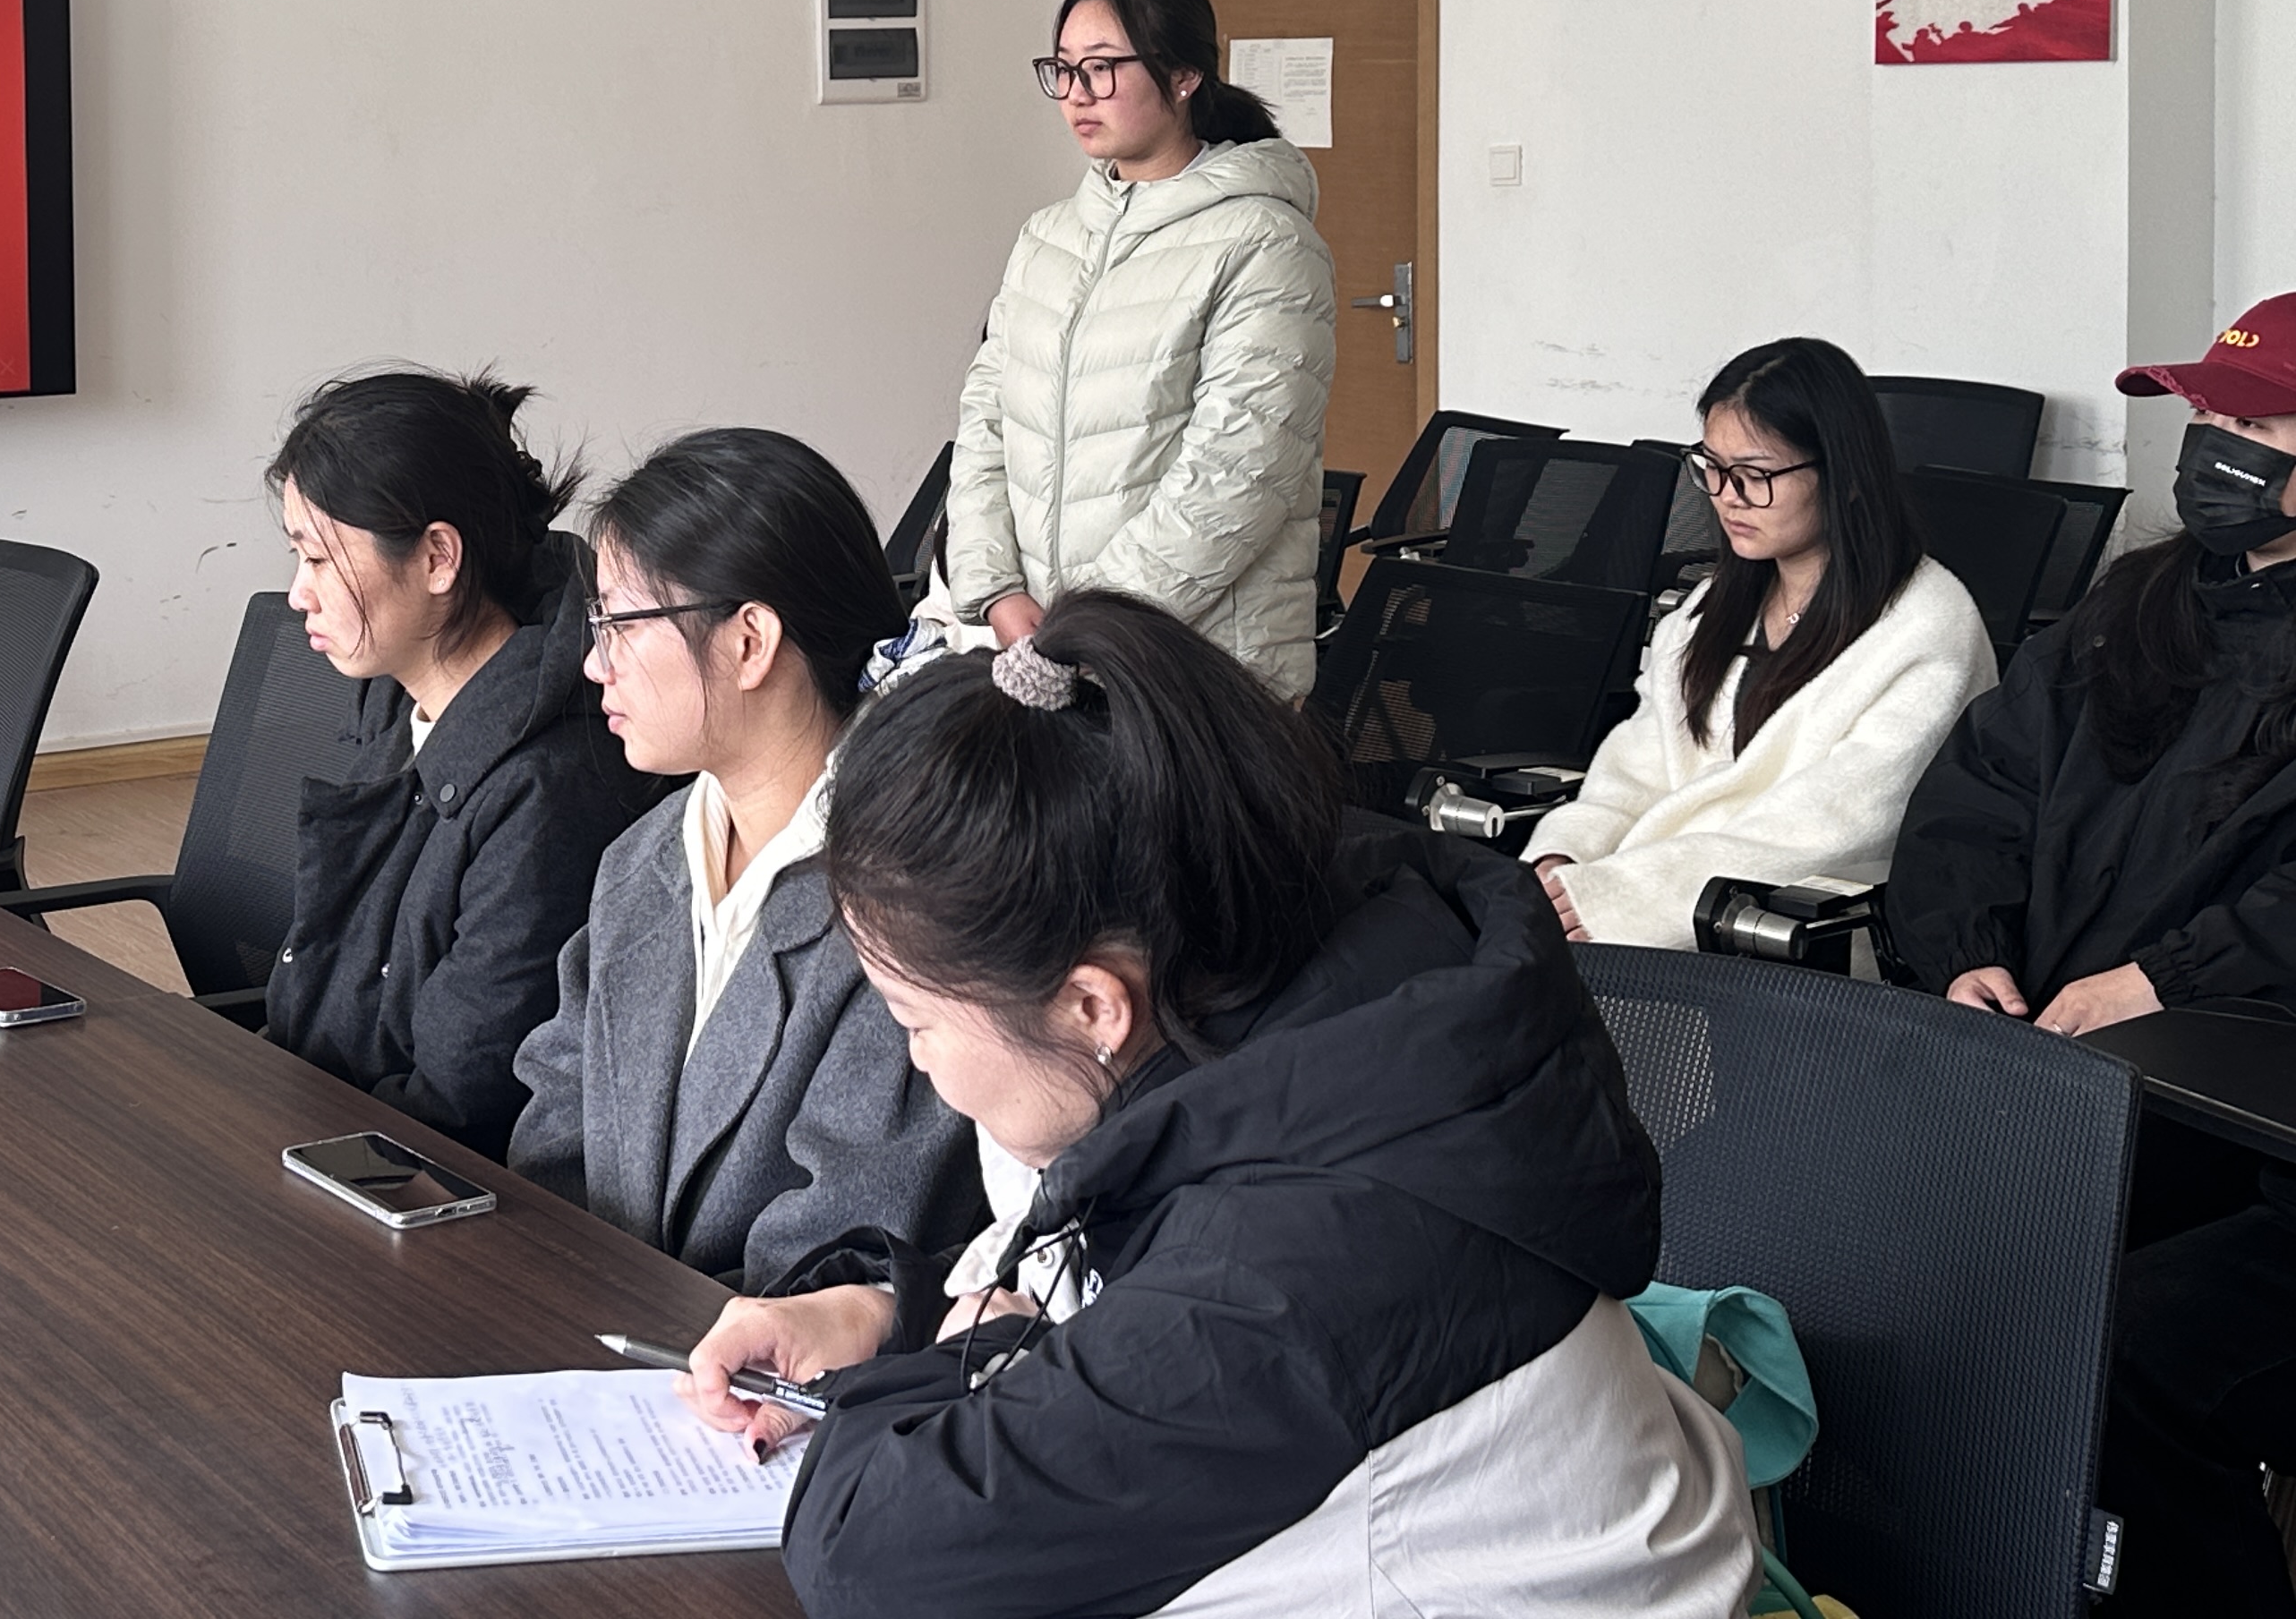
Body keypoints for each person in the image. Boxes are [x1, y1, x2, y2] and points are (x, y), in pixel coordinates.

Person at [679, 592, 1754, 1618]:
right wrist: (888, 1316)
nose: (921, 1070)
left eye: (915, 1023)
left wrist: (954, 1362)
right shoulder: (1321, 990)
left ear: (1093, 1006)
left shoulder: (1287, 1269)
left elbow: (873, 1557)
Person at [1883, 302, 2296, 1614]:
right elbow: (1981, 795)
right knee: (1874, 1264)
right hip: (2064, 1071)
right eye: (2208, 413)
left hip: (2236, 1116)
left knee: (2113, 1351)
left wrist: (2167, 981)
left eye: (2258, 420)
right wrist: (1964, 953)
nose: (2217, 443)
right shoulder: (2139, 606)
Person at [509, 430, 984, 1292]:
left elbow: (841, 1252)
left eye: (618, 623)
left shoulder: (915, 897)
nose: (593, 663)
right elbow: (555, 1128)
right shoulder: (640, 861)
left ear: (749, 641)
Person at [260, 369, 660, 1154]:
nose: (298, 594)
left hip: (410, 1178)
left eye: (319, 559)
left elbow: (455, 1101)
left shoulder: (550, 787)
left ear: (438, 557)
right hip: (320, 1128)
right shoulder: (394, 698)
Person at [1524, 337, 1995, 949]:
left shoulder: (1928, 627)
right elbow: (1636, 767)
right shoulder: (1713, 604)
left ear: (1846, 476)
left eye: (1755, 475)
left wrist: (1619, 900)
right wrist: (1563, 857)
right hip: (1645, 905)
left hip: (1791, 936)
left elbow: (1834, 827)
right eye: (1713, 468)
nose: (1727, 497)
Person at [947, 0, 1334, 700]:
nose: (1076, 94)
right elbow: (985, 427)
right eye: (1063, 69)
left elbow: (1237, 473)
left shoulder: (1264, 242)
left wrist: (1086, 634)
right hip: (1042, 659)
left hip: (1197, 673)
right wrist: (997, 593)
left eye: (1101, 68)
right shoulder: (1046, 239)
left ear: (1183, 76)